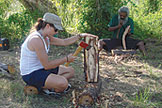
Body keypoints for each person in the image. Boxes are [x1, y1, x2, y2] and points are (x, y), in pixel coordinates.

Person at [20, 12, 97, 94]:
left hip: (40, 69)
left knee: (70, 71)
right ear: (48, 26)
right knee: (64, 83)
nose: (56, 32)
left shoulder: (46, 37)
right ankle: (45, 87)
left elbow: (64, 42)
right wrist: (66, 59)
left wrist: (80, 36)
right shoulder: (36, 39)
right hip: (31, 74)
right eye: (55, 29)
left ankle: (48, 85)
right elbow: (47, 65)